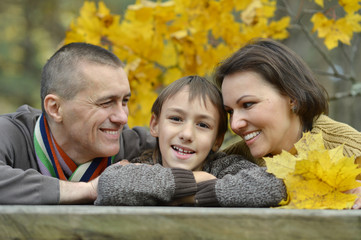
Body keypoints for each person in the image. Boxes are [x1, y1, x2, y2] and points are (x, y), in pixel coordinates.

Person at [0, 42, 156, 204]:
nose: (122, 118)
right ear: (55, 108)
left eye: (124, 101)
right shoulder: (12, 134)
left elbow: (183, 169)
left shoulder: (139, 148)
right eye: (106, 103)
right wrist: (92, 189)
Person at [214, 38, 361, 209]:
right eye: (230, 112)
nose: (235, 124)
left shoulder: (352, 149)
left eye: (248, 104)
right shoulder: (230, 161)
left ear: (292, 97)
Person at [95, 75, 286, 206]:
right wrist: (197, 181)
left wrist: (187, 196)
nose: (187, 134)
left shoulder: (224, 167)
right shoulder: (144, 164)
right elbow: (110, 184)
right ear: (155, 125)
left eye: (203, 125)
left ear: (217, 140)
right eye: (176, 119)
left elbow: (274, 186)